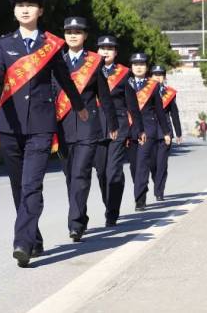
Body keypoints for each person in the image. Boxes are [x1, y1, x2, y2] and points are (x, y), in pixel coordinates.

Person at [0, 0, 88, 267]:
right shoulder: (3, 44)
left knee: (32, 184)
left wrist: (79, 107)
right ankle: (34, 237)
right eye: (20, 5)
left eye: (31, 5)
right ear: (14, 10)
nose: (25, 9)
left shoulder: (51, 45)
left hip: (41, 125)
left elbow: (65, 80)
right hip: (9, 126)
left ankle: (21, 243)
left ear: (40, 11)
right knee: (18, 186)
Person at [56, 17, 118, 242]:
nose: (72, 35)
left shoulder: (94, 62)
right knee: (70, 176)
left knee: (81, 173)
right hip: (62, 127)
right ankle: (80, 217)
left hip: (87, 126)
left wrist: (112, 123)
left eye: (77, 31)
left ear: (85, 36)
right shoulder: (57, 61)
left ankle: (74, 224)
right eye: (68, 31)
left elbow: (104, 95)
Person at [93, 35, 145, 227]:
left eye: (110, 48)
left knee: (113, 170)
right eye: (102, 48)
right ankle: (109, 203)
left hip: (119, 127)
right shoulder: (88, 70)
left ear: (116, 52)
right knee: (100, 172)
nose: (105, 51)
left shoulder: (125, 74)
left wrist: (138, 129)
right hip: (96, 126)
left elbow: (132, 105)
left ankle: (112, 212)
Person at [127, 53, 170, 211]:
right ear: (131, 67)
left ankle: (140, 200)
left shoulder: (153, 86)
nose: (139, 67)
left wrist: (166, 132)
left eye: (142, 64)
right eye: (135, 64)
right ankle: (141, 189)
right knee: (134, 166)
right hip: (130, 129)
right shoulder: (126, 83)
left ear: (146, 67)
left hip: (148, 129)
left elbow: (159, 111)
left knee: (143, 164)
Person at [149, 65, 182, 201]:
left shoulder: (169, 93)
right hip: (149, 130)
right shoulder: (145, 91)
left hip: (165, 132)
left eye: (160, 74)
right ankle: (157, 183)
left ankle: (159, 190)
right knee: (152, 164)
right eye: (155, 74)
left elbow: (174, 114)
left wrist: (178, 133)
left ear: (164, 77)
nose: (157, 76)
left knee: (162, 162)